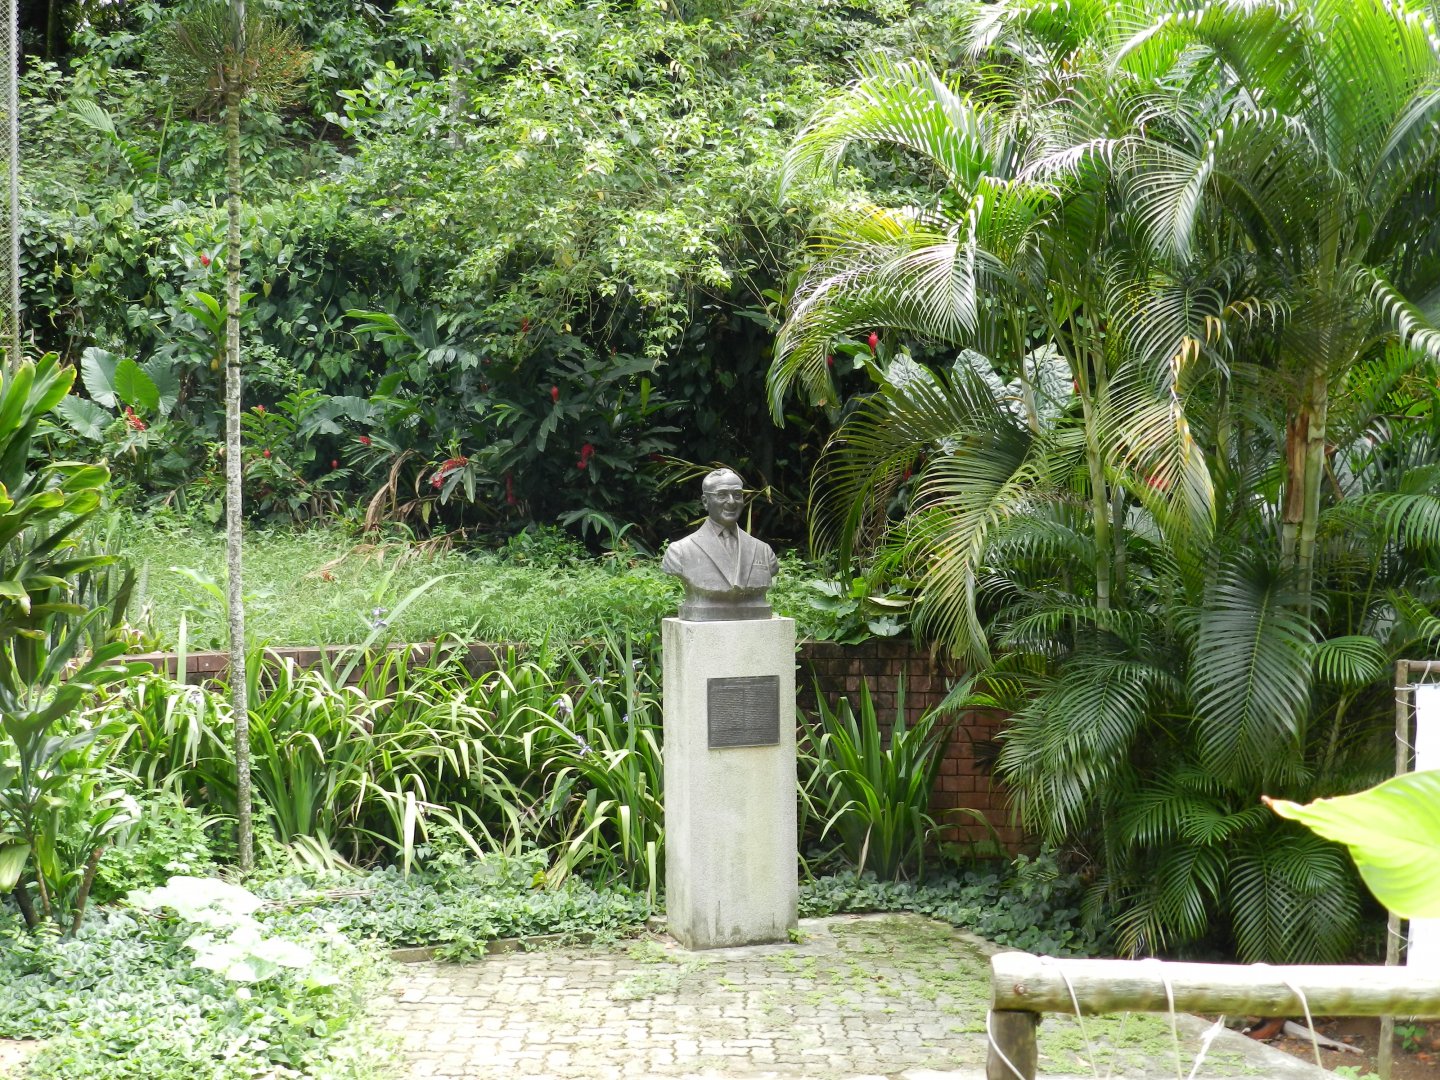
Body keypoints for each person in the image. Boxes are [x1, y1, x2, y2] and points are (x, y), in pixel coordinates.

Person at [662, 468, 778, 620]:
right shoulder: (680, 551)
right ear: (705, 501)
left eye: (737, 495)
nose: (731, 502)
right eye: (722, 495)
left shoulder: (763, 551)